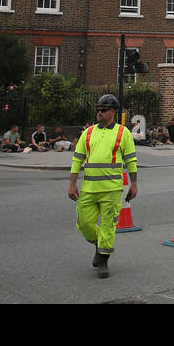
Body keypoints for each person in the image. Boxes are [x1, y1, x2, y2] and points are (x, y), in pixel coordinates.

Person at [68, 94, 138, 278]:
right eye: (98, 109)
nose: (99, 113)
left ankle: (104, 261)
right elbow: (77, 159)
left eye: (104, 110)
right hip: (89, 189)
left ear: (114, 112)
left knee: (108, 225)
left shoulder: (123, 133)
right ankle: (100, 246)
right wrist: (72, 183)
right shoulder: (88, 132)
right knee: (84, 223)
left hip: (112, 189)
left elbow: (131, 160)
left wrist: (134, 184)